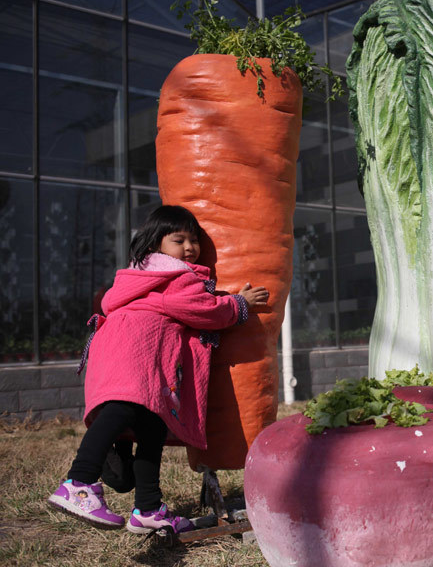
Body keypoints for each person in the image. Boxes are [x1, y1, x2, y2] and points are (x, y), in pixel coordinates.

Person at [48, 205, 268, 534]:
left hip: (124, 352)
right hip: (137, 356)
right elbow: (200, 309)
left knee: (152, 426)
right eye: (178, 240)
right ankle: (78, 482)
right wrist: (239, 303)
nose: (189, 248)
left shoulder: (140, 276)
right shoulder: (174, 275)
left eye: (193, 240)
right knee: (120, 411)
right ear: (154, 244)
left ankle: (148, 508)